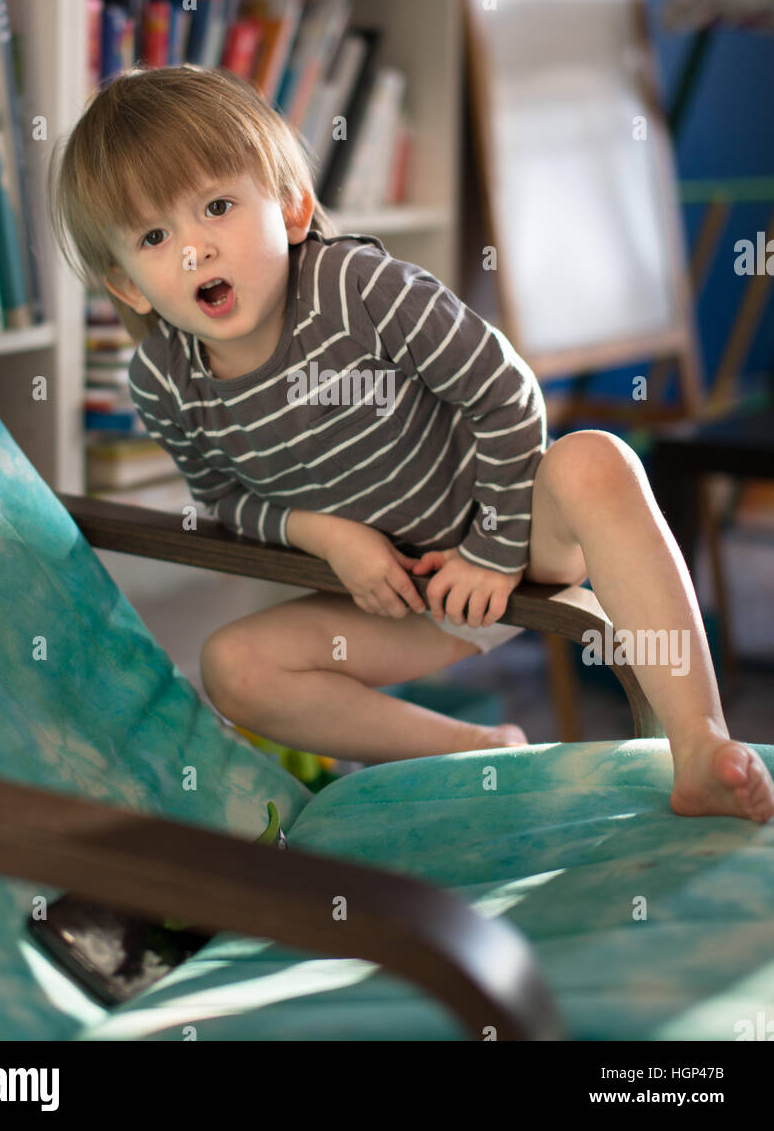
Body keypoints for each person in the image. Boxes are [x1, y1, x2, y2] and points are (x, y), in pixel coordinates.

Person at [49, 64, 774, 824]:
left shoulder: (356, 285)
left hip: (519, 527)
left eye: (218, 207)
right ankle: (477, 750)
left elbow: (505, 391)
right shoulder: (163, 382)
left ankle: (699, 744)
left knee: (595, 460)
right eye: (155, 236)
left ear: (292, 210)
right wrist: (324, 535)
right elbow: (221, 498)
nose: (194, 250)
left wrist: (495, 545)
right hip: (414, 598)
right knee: (232, 667)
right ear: (128, 286)